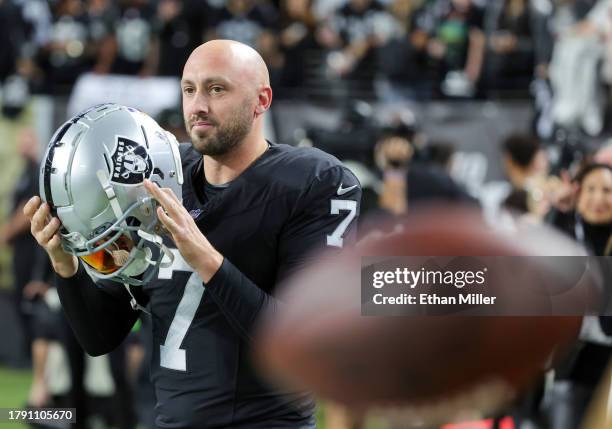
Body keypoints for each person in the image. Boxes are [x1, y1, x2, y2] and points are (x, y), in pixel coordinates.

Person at [24, 39, 362, 428]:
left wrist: (207, 259)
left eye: (216, 89)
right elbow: (100, 337)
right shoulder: (161, 175)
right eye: (189, 89)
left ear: (261, 99)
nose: (198, 105)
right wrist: (65, 265)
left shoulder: (314, 181)